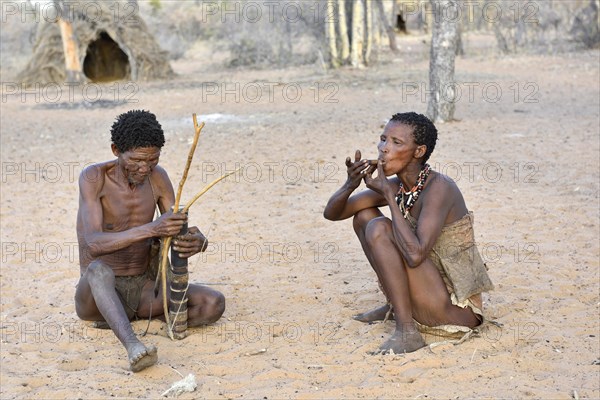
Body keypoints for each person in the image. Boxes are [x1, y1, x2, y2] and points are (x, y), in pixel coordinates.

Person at [324, 112, 493, 354]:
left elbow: (415, 256)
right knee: (364, 217)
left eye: (396, 142)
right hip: (429, 292)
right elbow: (333, 214)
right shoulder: (399, 185)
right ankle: (395, 304)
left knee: (380, 227)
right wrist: (350, 184)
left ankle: (407, 331)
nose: (384, 148)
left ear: (419, 151)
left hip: (456, 311)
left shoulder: (440, 188)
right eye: (383, 139)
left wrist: (390, 198)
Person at [75, 110, 225, 372]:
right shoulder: (94, 178)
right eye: (136, 161)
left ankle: (130, 318)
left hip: (145, 288)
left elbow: (178, 229)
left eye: (152, 160)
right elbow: (94, 244)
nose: (144, 168)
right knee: (99, 270)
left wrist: (198, 242)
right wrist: (153, 228)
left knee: (213, 303)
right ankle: (133, 344)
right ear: (115, 150)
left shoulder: (158, 177)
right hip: (97, 297)